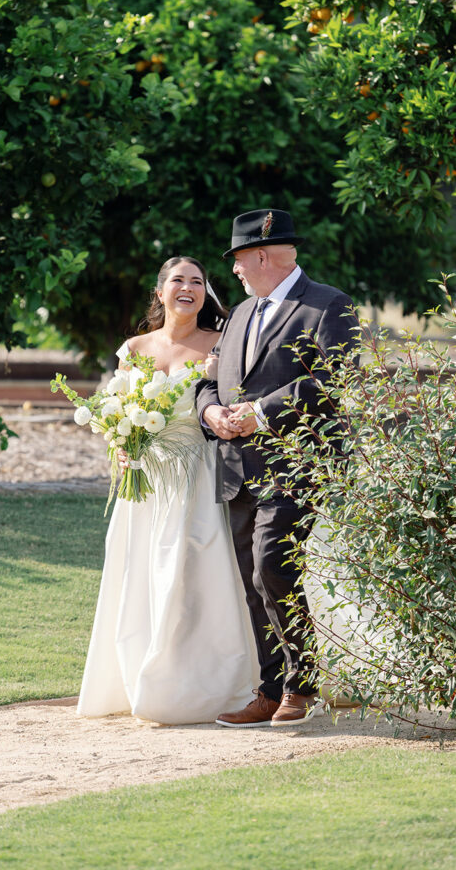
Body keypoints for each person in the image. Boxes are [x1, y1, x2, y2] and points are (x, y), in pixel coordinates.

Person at [77, 256, 258, 724]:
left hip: (197, 477)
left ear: (205, 295)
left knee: (190, 573)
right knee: (139, 573)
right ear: (159, 292)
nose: (188, 287)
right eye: (178, 280)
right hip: (145, 483)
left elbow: (227, 407)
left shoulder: (221, 346)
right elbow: (114, 411)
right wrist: (119, 444)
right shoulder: (133, 348)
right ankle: (136, 677)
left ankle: (195, 683)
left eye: (197, 282)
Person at [196, 209, 360, 727]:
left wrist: (261, 412)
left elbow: (335, 381)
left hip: (297, 464)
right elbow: (209, 379)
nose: (236, 272)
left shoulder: (329, 305)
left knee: (272, 564)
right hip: (236, 466)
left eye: (239, 261)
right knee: (252, 579)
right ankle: (269, 690)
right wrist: (212, 412)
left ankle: (300, 684)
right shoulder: (241, 313)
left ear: (262, 255)